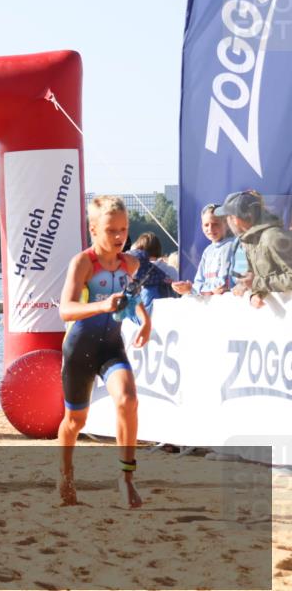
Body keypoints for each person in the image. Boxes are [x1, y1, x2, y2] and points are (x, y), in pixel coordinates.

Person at [58, 196, 150, 509]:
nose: (119, 237)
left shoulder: (130, 264)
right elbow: (65, 310)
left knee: (128, 400)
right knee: (75, 421)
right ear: (93, 229)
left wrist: (145, 320)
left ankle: (126, 479)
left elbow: (130, 298)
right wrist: (100, 304)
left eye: (123, 229)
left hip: (111, 346)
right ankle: (66, 472)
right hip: (79, 350)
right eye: (111, 230)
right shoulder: (82, 263)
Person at [215, 190, 292, 307]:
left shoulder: (273, 237)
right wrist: (254, 292)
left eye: (228, 217)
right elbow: (260, 277)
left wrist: (256, 283)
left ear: (236, 218)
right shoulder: (250, 241)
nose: (227, 222)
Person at [171, 203, 241, 296]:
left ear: (226, 224)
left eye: (215, 224)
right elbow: (199, 282)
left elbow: (223, 284)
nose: (210, 229)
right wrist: (190, 288)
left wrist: (200, 289)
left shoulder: (232, 246)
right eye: (206, 225)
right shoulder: (207, 251)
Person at [127, 233, 178, 313]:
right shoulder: (172, 270)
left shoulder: (140, 271)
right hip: (170, 314)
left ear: (140, 252)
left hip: (148, 315)